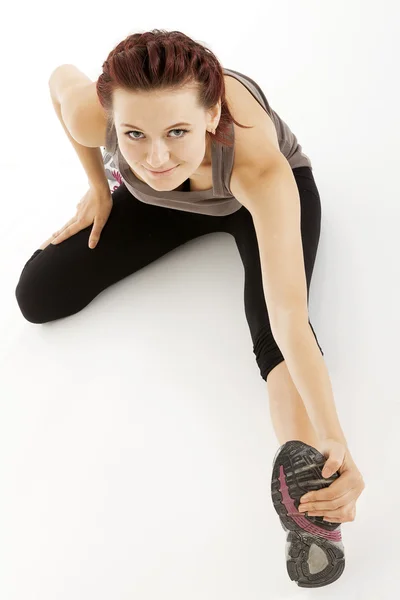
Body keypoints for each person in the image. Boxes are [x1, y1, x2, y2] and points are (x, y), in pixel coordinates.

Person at [14, 29, 365, 587]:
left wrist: (336, 440)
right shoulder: (103, 123)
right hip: (166, 201)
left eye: (176, 131)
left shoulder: (259, 167)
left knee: (272, 334)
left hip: (250, 200)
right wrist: (99, 188)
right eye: (133, 134)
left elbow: (291, 322)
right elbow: (59, 81)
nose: (154, 156)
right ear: (112, 118)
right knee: (38, 295)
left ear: (210, 114)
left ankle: (309, 499)